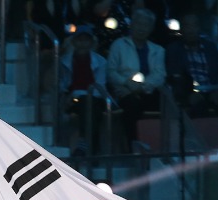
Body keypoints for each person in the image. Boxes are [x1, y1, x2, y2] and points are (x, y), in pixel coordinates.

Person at [106, 8, 167, 146]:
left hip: (149, 91)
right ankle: (133, 144)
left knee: (168, 102)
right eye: (138, 23)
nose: (141, 28)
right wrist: (126, 83)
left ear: (151, 28)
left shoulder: (158, 50)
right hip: (123, 92)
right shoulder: (119, 45)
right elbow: (111, 72)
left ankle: (161, 146)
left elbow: (159, 75)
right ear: (132, 24)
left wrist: (141, 87)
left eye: (146, 25)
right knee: (132, 104)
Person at [164, 12, 218, 119]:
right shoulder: (173, 49)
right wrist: (188, 93)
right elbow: (174, 77)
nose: (191, 30)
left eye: (194, 25)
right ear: (181, 29)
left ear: (199, 28)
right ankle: (201, 136)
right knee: (199, 107)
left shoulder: (210, 47)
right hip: (189, 93)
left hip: (211, 91)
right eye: (187, 26)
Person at [59, 25, 108, 157]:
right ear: (74, 42)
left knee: (89, 104)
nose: (83, 43)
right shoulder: (64, 61)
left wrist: (76, 94)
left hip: (94, 98)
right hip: (72, 102)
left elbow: (100, 88)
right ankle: (93, 150)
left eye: (86, 40)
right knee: (89, 107)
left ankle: (84, 146)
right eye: (79, 40)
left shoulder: (101, 62)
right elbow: (63, 85)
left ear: (91, 43)